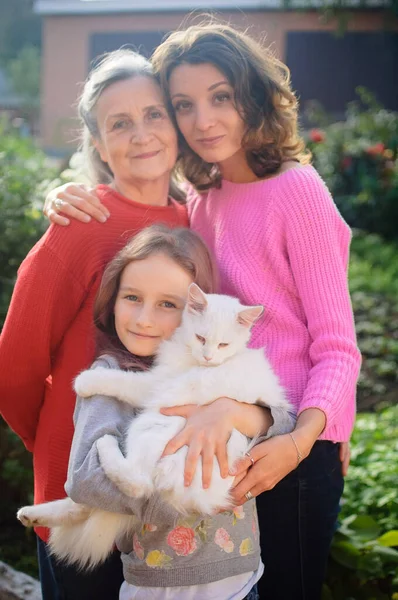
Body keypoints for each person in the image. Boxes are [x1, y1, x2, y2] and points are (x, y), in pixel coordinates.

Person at [43, 20, 361, 600]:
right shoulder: (199, 198)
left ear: (254, 97)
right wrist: (60, 191)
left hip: (289, 449)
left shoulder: (299, 191)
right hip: (213, 444)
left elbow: (337, 348)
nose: (203, 120)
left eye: (222, 97)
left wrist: (301, 439)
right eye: (183, 104)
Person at [0, 49, 190, 600]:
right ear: (100, 145)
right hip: (81, 494)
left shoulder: (194, 217)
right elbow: (13, 369)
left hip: (165, 498)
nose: (142, 134)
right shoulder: (79, 228)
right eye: (120, 123)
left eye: (154, 114)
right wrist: (60, 440)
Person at [65, 222, 284, 600]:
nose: (146, 319)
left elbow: (282, 421)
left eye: (168, 304)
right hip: (159, 582)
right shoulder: (110, 376)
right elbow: (85, 483)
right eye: (132, 297)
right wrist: (180, 496)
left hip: (239, 573)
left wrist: (235, 412)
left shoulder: (214, 361)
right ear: (112, 298)